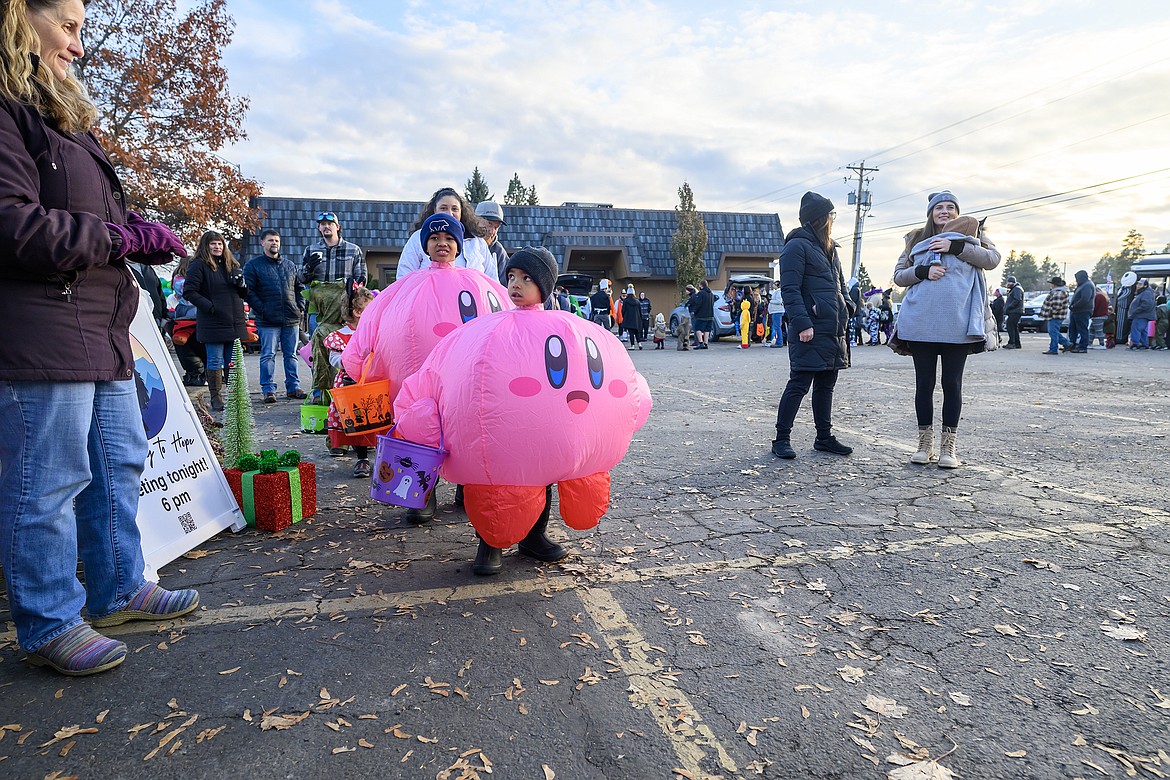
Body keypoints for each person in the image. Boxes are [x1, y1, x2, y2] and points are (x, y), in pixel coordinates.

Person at [0, 0, 200, 677]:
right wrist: (115, 238)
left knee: (117, 460)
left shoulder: (59, 115)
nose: (78, 47)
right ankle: (49, 617)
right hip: (40, 330)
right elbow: (13, 225)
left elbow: (89, 212)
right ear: (17, 15)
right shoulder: (5, 109)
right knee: (47, 483)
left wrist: (134, 221)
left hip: (98, 325)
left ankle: (118, 586)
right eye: (69, 26)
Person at [471, 246, 571, 575]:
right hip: (503, 418)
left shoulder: (558, 328)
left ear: (544, 285)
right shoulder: (495, 326)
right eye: (511, 277)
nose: (515, 284)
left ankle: (533, 536)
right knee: (498, 479)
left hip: (540, 418)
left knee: (542, 477)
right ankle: (491, 541)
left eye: (526, 278)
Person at [891, 195, 1000, 468]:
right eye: (939, 208)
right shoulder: (916, 239)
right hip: (921, 322)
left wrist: (955, 246)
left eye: (950, 207)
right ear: (930, 213)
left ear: (958, 213)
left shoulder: (974, 236)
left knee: (952, 384)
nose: (945, 211)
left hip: (958, 323)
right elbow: (899, 276)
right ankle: (924, 444)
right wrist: (923, 270)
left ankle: (948, 448)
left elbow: (992, 259)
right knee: (924, 384)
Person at [770, 192, 853, 460]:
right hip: (810, 329)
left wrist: (847, 307)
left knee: (826, 384)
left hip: (833, 328)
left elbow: (840, 285)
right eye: (830, 215)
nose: (833, 219)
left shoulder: (830, 248)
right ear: (820, 218)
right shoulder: (796, 246)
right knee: (799, 384)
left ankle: (824, 437)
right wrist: (803, 322)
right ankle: (781, 439)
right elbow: (790, 289)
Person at [183, 231, 250, 411]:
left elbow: (243, 293)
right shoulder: (198, 265)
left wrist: (242, 285)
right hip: (213, 321)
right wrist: (209, 306)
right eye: (213, 244)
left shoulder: (231, 264)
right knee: (214, 361)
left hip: (233, 320)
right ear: (206, 246)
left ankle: (235, 398)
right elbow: (189, 291)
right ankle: (216, 397)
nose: (217, 247)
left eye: (220, 244)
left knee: (233, 361)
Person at [244, 228, 307, 402]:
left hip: (291, 317)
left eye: (277, 241)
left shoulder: (289, 265)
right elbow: (249, 291)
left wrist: (299, 306)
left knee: (291, 355)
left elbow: (299, 288)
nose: (274, 243)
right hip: (267, 320)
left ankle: (293, 387)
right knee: (268, 355)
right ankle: (268, 389)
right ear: (262, 243)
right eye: (271, 240)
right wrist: (262, 309)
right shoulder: (253, 266)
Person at [322, 286, 378, 478]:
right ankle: (362, 459)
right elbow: (334, 359)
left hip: (372, 382)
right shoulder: (342, 336)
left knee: (375, 419)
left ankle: (378, 456)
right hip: (349, 384)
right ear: (358, 312)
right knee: (355, 421)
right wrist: (352, 358)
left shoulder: (374, 332)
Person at [395, 187, 496, 280]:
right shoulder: (417, 238)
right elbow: (404, 277)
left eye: (454, 209)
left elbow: (491, 279)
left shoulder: (476, 241)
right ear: (434, 210)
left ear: (462, 212)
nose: (449, 213)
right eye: (443, 208)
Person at [300, 211, 365, 329]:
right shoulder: (310, 250)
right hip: (318, 309)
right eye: (323, 224)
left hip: (344, 308)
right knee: (317, 344)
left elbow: (361, 278)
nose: (326, 226)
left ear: (338, 227)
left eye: (330, 223)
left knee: (344, 345)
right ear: (319, 228)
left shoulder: (353, 250)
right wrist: (308, 269)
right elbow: (302, 279)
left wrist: (353, 291)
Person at [170, 256, 207, 386]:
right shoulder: (181, 281)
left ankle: (199, 373)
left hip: (187, 311)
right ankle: (198, 373)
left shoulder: (177, 279)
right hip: (190, 312)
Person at [474, 200, 508, 282]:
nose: (492, 231)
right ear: (476, 220)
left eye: (496, 227)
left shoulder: (499, 253)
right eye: (489, 224)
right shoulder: (461, 243)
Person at [1039, 276, 1070, 355]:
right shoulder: (1059, 292)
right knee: (1054, 332)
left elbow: (1057, 306)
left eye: (1051, 284)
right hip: (1058, 315)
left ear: (1054, 284)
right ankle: (1066, 344)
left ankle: (1053, 349)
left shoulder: (1058, 293)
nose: (1051, 285)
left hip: (1055, 316)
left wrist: (1050, 313)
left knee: (1053, 332)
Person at [1067, 270, 1094, 353]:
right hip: (1076, 311)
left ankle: (1083, 347)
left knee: (1082, 329)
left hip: (1082, 311)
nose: (1076, 280)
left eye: (1077, 278)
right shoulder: (1082, 285)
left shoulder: (1087, 285)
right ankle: (1072, 345)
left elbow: (1085, 299)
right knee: (1073, 329)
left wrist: (1074, 305)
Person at [1128, 278, 1155, 350]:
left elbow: (1146, 304)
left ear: (1145, 285)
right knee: (1143, 330)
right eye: (1137, 284)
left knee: (1136, 328)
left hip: (1141, 315)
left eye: (1140, 284)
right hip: (1143, 315)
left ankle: (1135, 344)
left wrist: (1136, 311)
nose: (1138, 286)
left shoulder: (1146, 293)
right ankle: (1144, 344)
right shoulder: (1145, 292)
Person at [692, 280, 716, 349]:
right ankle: (706, 343)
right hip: (710, 314)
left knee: (698, 328)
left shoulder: (701, 293)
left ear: (701, 285)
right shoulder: (711, 294)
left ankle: (700, 343)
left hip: (701, 315)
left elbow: (698, 304)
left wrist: (695, 311)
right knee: (707, 329)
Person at [1002, 275, 1024, 349]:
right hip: (1016, 311)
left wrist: (1008, 307)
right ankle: (1017, 343)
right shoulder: (1015, 289)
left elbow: (1017, 300)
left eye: (1009, 282)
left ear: (1013, 282)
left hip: (1015, 311)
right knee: (1014, 327)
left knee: (1010, 326)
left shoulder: (1017, 289)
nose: (1007, 284)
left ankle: (1012, 342)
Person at [621, 285, 644, 349]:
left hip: (629, 319)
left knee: (631, 333)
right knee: (637, 332)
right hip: (637, 319)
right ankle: (639, 344)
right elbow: (640, 311)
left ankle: (632, 345)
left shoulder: (625, 301)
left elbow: (623, 311)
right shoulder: (637, 302)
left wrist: (624, 317)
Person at [768, 281, 786, 347]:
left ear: (777, 285)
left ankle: (779, 342)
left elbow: (779, 301)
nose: (773, 285)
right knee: (777, 327)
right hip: (775, 311)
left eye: (774, 284)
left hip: (777, 311)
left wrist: (771, 300)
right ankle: (779, 341)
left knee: (777, 327)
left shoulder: (778, 292)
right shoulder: (776, 292)